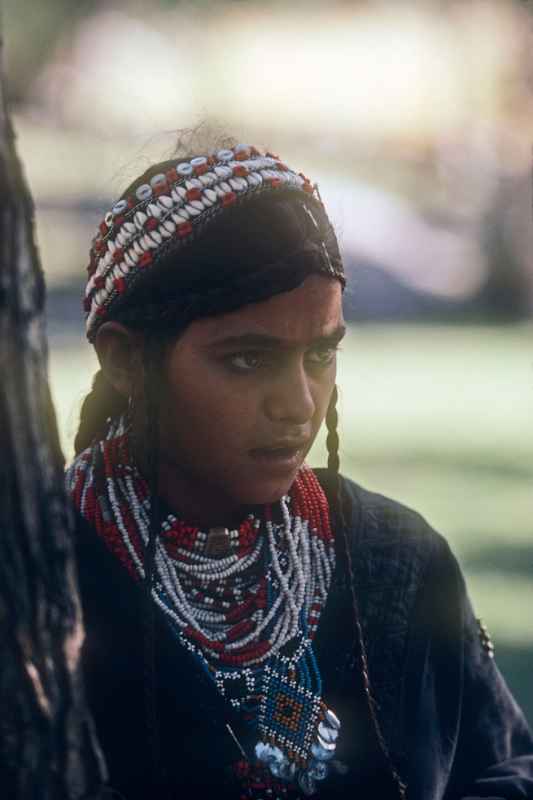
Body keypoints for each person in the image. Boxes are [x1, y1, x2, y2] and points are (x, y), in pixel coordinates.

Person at [66, 139, 533, 800]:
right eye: (246, 359)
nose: (299, 404)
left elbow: (502, 769)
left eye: (319, 354)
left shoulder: (392, 561)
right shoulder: (46, 583)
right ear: (126, 360)